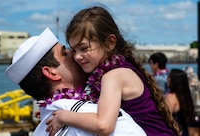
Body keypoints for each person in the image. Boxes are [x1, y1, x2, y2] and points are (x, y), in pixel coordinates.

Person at [46, 6, 179, 136]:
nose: (77, 56)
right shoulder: (121, 69)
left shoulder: (113, 77)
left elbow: (103, 125)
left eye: (84, 48)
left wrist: (63, 116)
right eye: (74, 50)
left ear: (110, 42)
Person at [5, 28, 147, 136]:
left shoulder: (45, 122)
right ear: (51, 73)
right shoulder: (87, 115)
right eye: (65, 53)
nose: (76, 55)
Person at [165, 68, 198, 136]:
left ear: (173, 80)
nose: (167, 79)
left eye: (169, 77)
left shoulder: (171, 97)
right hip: (185, 131)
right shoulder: (185, 96)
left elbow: (165, 119)